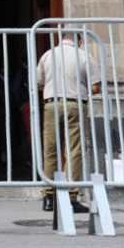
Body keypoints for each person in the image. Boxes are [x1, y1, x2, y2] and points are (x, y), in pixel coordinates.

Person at [36, 32, 93, 214]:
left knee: (50, 149)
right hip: (75, 104)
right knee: (74, 150)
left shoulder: (48, 54)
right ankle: (71, 196)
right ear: (79, 41)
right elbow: (96, 85)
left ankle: (49, 196)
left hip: (51, 104)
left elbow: (39, 83)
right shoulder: (84, 55)